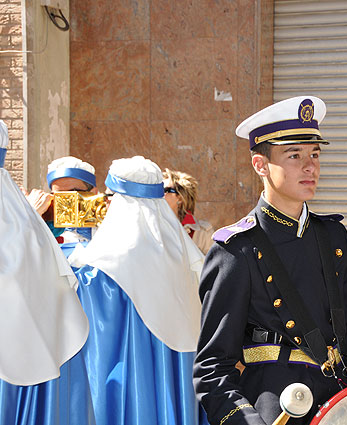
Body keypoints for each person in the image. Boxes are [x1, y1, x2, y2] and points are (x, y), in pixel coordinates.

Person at [193, 96, 347, 425]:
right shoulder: (236, 249)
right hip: (274, 409)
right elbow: (211, 369)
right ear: (260, 165)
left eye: (315, 154)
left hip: (335, 401)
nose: (311, 166)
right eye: (294, 156)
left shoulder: (332, 236)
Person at [69, 156, 208, 425]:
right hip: (176, 377)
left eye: (110, 195)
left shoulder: (107, 261)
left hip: (123, 381)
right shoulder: (183, 254)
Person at [0, 120, 95, 424]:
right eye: (58, 193)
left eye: (73, 193)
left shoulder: (27, 225)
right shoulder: (27, 221)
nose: (64, 201)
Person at [26, 156, 99, 246]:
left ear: (93, 193)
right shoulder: (44, 228)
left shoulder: (111, 224)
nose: (67, 201)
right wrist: (30, 216)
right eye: (59, 195)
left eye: (73, 193)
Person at [163, 168, 214, 254]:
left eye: (165, 190)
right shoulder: (152, 227)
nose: (160, 194)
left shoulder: (202, 234)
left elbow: (213, 265)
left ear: (180, 198)